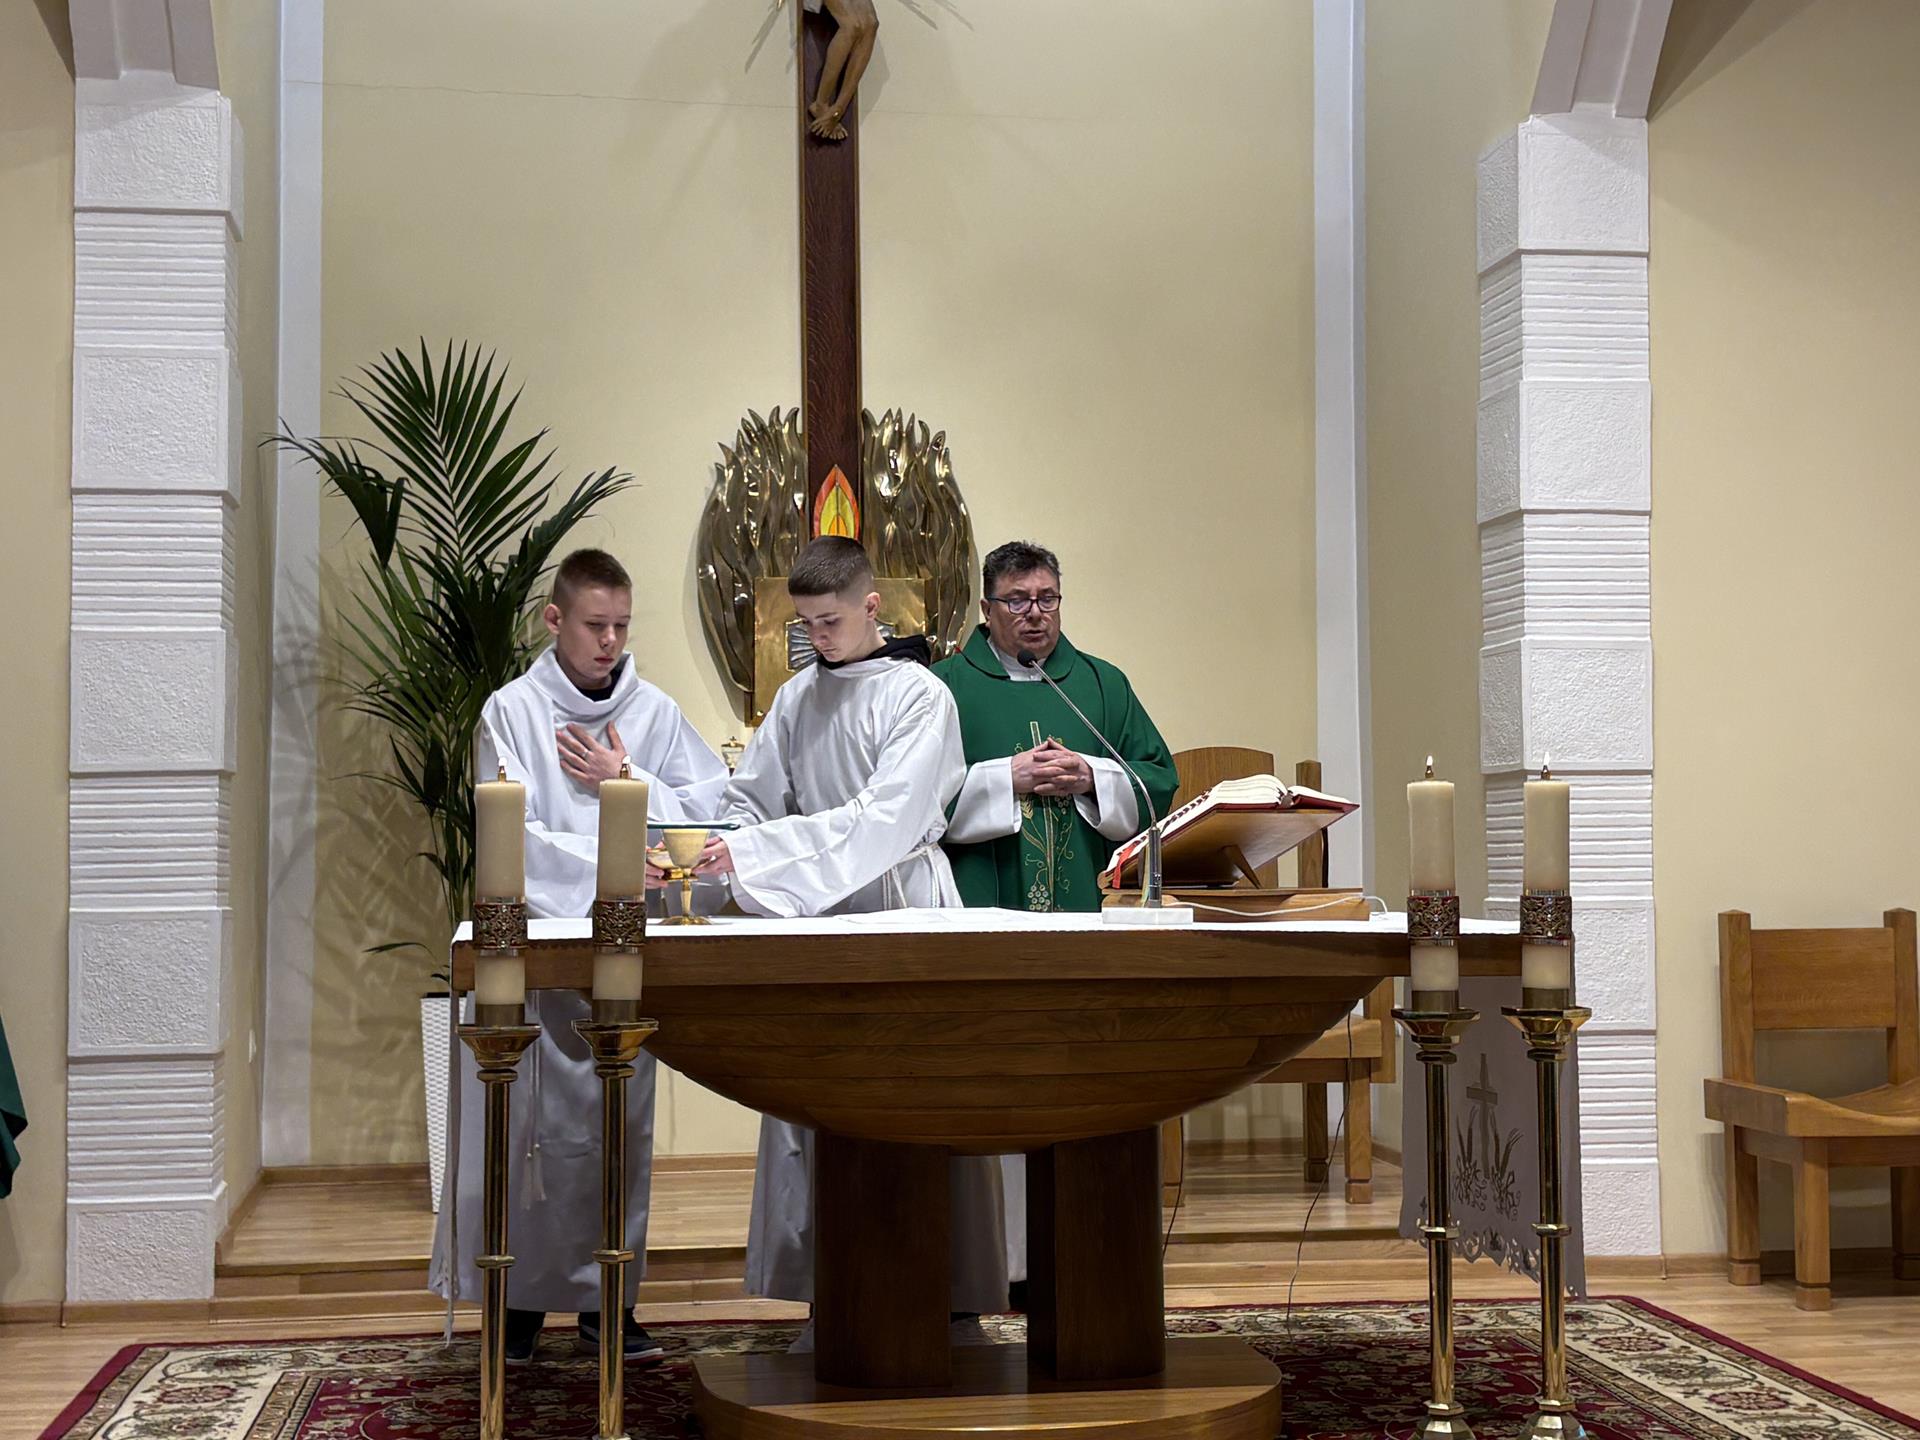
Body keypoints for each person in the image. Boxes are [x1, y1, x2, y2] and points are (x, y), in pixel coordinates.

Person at [691, 535, 1007, 1344]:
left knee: (925, 1104)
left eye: (829, 621)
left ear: (872, 606)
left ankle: (952, 1299)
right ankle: (827, 1297)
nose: (816, 638)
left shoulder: (919, 695)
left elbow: (883, 824)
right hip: (818, 916)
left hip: (903, 908)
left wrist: (759, 853)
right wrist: (723, 847)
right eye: (804, 624)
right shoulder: (797, 699)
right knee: (816, 1107)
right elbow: (751, 800)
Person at [429, 548, 729, 1364]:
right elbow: (513, 834)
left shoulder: (654, 711)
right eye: (595, 625)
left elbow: (712, 808)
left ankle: (610, 1305)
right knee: (527, 1130)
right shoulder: (512, 711)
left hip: (622, 951)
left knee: (615, 1128)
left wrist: (627, 777)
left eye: (622, 625)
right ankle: (520, 1304)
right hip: (539, 955)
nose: (610, 642)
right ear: (554, 620)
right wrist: (612, 861)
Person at [931, 539, 1177, 1301]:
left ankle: (1072, 1258)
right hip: (982, 918)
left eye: (1047, 599)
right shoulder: (941, 688)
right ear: (986, 609)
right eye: (1017, 601)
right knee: (994, 1084)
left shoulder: (1100, 684)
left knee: (1076, 1082)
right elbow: (909, 801)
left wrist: (1092, 775)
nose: (1035, 615)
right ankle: (990, 1265)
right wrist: (1002, 779)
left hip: (1084, 922)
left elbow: (1159, 781)